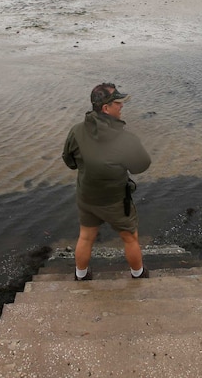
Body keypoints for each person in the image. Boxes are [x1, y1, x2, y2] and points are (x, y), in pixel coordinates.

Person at [62, 82, 152, 280]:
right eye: (118, 103)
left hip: (87, 198)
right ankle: (138, 274)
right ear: (106, 108)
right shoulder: (125, 138)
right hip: (115, 201)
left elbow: (69, 161)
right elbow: (141, 165)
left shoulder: (76, 132)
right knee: (129, 237)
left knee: (85, 236)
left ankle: (81, 275)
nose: (121, 106)